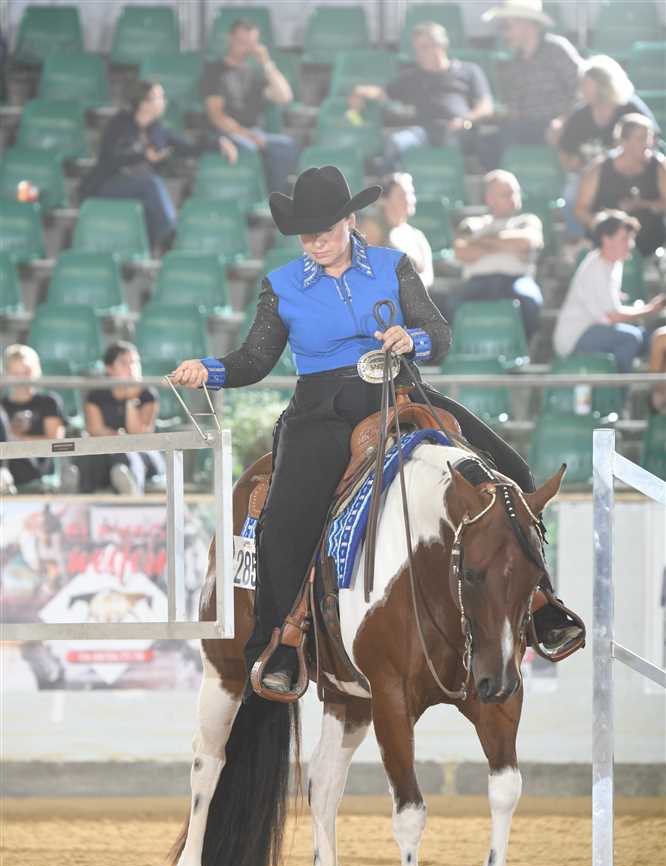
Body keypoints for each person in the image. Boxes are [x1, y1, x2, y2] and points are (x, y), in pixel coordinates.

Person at [170, 165, 584, 693]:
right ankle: (280, 642)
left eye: (325, 229)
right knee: (286, 520)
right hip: (321, 408)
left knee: (514, 472)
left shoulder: (394, 265)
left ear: (350, 220)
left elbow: (439, 333)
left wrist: (413, 339)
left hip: (401, 389)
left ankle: (543, 604)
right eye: (306, 234)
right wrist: (209, 370)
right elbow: (255, 359)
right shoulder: (282, 285)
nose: (315, 242)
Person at [80, 80, 237, 252]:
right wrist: (142, 156)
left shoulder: (158, 130)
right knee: (152, 184)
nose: (164, 101)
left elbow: (188, 147)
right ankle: (172, 236)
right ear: (144, 103)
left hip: (138, 189)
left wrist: (218, 143)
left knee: (151, 195)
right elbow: (109, 159)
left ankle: (155, 248)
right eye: (159, 97)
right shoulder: (119, 124)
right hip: (107, 185)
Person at [349, 22, 493, 170]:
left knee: (453, 147)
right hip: (424, 132)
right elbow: (383, 93)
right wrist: (360, 90)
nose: (419, 53)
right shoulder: (412, 77)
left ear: (441, 46)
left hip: (459, 131)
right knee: (395, 142)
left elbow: (486, 106)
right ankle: (389, 180)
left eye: (424, 48)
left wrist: (465, 120)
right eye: (417, 49)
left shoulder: (469, 70)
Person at [553, 212, 666, 393]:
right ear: (607, 240)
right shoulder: (596, 267)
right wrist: (649, 309)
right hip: (576, 337)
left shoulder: (613, 264)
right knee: (630, 338)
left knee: (648, 339)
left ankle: (655, 396)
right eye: (624, 239)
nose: (630, 244)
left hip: (595, 330)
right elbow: (613, 316)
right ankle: (619, 396)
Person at [558, 56, 658, 238]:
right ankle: (583, 240)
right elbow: (565, 152)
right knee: (571, 196)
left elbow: (651, 140)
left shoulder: (630, 108)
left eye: (587, 84)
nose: (582, 89)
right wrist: (575, 164)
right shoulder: (580, 115)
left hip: (630, 173)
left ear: (603, 85)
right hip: (588, 175)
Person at [201, 18, 299, 194]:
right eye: (242, 42)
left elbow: (285, 96)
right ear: (230, 38)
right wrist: (246, 134)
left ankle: (277, 199)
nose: (246, 47)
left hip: (255, 132)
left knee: (286, 145)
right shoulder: (214, 71)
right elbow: (216, 116)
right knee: (249, 148)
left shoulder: (255, 72)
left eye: (251, 43)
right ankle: (260, 197)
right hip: (225, 134)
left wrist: (266, 63)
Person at [448, 170, 544, 340]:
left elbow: (527, 242)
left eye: (515, 192)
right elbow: (461, 251)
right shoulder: (472, 224)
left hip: (516, 280)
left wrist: (481, 242)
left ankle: (527, 346)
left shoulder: (527, 221)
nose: (513, 198)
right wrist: (507, 246)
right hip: (477, 282)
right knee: (451, 305)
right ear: (489, 199)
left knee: (530, 301)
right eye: (506, 194)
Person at [482, 0, 582, 156]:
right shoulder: (514, 62)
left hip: (557, 126)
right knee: (487, 143)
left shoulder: (557, 49)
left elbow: (582, 90)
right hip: (523, 127)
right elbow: (513, 108)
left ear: (526, 24)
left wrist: (563, 120)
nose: (504, 34)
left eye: (507, 26)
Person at [77, 341, 164, 495]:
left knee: (126, 456)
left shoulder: (148, 395)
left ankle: (131, 489)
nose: (132, 368)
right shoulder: (96, 396)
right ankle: (81, 494)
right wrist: (118, 438)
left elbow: (139, 434)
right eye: (124, 363)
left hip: (142, 452)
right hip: (107, 449)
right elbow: (95, 430)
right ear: (109, 368)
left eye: (135, 362)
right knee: (92, 456)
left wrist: (130, 401)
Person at [576, 114, 666, 258]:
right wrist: (607, 226)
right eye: (640, 139)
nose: (647, 144)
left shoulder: (659, 166)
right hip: (608, 247)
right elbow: (581, 209)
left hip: (651, 244)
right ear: (623, 141)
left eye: (649, 138)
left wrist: (642, 204)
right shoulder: (599, 168)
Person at [0, 344, 66, 492]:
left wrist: (17, 439)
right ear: (7, 374)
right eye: (16, 373)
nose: (22, 379)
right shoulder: (2, 405)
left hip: (37, 467)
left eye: (27, 372)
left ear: (36, 370)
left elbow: (55, 443)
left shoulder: (49, 402)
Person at [361, 173, 434, 289]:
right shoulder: (372, 229)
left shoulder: (417, 235)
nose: (408, 200)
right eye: (401, 195)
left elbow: (428, 275)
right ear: (384, 200)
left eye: (411, 194)